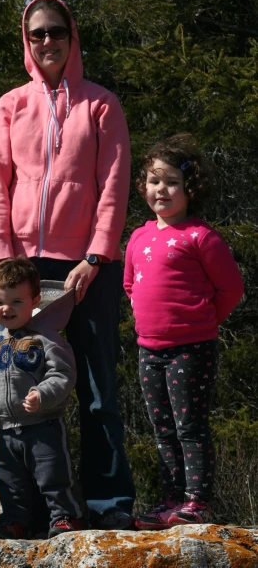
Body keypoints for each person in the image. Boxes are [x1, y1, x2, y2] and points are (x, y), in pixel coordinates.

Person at [0, 0, 135, 529]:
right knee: (17, 391)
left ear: (72, 36)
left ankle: (106, 507)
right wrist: (5, 264)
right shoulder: (9, 106)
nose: (47, 41)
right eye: (36, 33)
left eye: (56, 31)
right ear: (27, 42)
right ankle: (32, 510)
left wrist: (96, 255)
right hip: (25, 270)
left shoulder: (101, 105)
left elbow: (114, 187)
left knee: (95, 389)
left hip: (88, 266)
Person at [124, 134, 244, 529]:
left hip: (191, 349)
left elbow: (231, 289)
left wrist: (202, 323)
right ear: (143, 186)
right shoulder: (139, 237)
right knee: (162, 429)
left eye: (172, 182)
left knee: (190, 426)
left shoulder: (201, 237)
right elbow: (130, 285)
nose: (162, 189)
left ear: (190, 189)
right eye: (154, 180)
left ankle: (197, 502)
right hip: (149, 349)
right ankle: (169, 500)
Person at [0, 257, 82, 539]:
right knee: (9, 480)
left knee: (53, 475)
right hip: (5, 431)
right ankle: (15, 520)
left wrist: (41, 394)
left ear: (34, 300)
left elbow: (63, 375)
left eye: (16, 302)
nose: (6, 309)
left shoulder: (47, 339)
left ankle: (64, 517)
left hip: (43, 424)